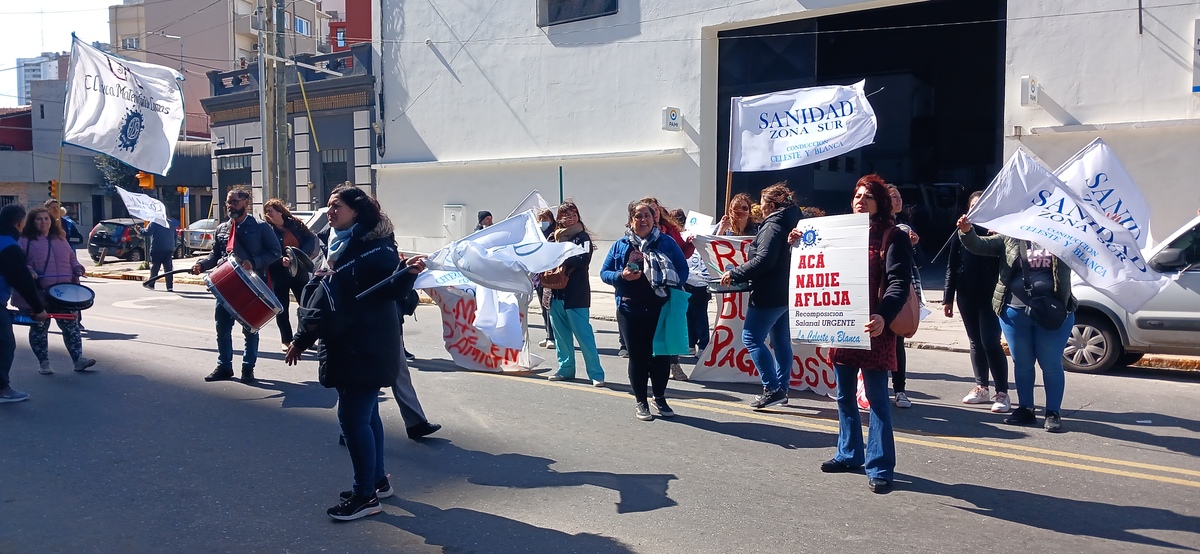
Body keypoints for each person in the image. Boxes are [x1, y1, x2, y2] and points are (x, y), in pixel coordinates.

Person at [285, 184, 426, 521]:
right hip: (349, 344)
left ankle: (365, 496)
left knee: (351, 419)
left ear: (357, 212)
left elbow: (394, 291)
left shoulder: (377, 251)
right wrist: (303, 338)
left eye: (337, 206)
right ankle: (376, 483)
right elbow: (325, 299)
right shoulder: (340, 246)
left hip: (366, 346)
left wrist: (408, 274)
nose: (330, 212)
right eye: (330, 206)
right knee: (367, 416)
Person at [808, 175, 912, 494]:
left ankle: (879, 465)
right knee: (844, 396)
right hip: (842, 325)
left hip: (874, 328)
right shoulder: (837, 233)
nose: (860, 199)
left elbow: (897, 282)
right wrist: (801, 241)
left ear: (879, 202)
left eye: (868, 196)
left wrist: (883, 315)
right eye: (857, 194)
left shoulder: (892, 236)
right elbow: (815, 265)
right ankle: (849, 454)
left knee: (878, 400)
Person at [956, 211, 1076, 432]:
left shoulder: (1062, 236)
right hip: (1014, 312)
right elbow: (980, 246)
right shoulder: (1010, 237)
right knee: (1022, 363)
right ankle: (1026, 409)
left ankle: (1053, 413)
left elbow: (1093, 246)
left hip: (1053, 312)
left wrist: (1107, 226)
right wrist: (966, 231)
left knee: (1050, 365)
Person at [601, 201, 690, 421]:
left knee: (660, 356)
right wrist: (621, 276)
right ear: (631, 221)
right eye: (638, 216)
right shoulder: (621, 245)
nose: (643, 220)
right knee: (638, 358)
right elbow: (605, 273)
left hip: (660, 309)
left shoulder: (666, 242)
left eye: (647, 216)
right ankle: (641, 401)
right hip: (630, 309)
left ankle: (659, 398)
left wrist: (669, 282)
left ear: (654, 218)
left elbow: (683, 270)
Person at [719, 182, 803, 409]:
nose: (760, 207)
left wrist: (735, 272)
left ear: (773, 205)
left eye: (763, 203)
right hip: (785, 291)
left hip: (769, 292)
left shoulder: (772, 226)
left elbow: (764, 260)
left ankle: (773, 388)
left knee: (751, 338)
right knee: (780, 340)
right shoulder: (790, 222)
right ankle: (781, 388)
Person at [192, 187, 282, 384]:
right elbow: (215, 256)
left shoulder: (261, 227)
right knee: (222, 328)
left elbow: (276, 252)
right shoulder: (222, 229)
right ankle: (224, 366)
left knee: (250, 329)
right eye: (228, 202)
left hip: (251, 288)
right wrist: (201, 265)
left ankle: (247, 368)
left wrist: (255, 262)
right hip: (226, 287)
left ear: (246, 203)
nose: (230, 206)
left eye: (234, 202)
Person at [945, 191, 1010, 413]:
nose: (976, 210)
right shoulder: (961, 231)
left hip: (991, 294)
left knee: (990, 341)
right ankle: (981, 386)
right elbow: (952, 266)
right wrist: (948, 297)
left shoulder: (999, 232)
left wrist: (1003, 233)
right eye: (973, 206)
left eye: (981, 206)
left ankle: (1002, 392)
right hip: (966, 293)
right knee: (975, 341)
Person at [12, 207, 95, 375]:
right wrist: (30, 271)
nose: (43, 222)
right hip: (39, 293)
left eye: (46, 218)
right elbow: (19, 263)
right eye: (39, 219)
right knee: (40, 328)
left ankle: (78, 360)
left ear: (52, 221)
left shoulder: (60, 238)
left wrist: (78, 267)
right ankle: (44, 363)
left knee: (71, 326)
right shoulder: (24, 240)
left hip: (63, 293)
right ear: (31, 222)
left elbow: (72, 258)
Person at [544, 201, 605, 386]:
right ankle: (565, 369)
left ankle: (596, 373)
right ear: (559, 219)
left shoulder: (582, 237)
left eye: (573, 214)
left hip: (576, 295)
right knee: (561, 337)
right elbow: (543, 257)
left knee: (585, 337)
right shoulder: (553, 237)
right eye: (566, 215)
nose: (571, 218)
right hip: (554, 294)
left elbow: (583, 260)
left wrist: (561, 254)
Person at [640, 197, 695, 380]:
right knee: (649, 331)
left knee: (671, 330)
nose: (652, 215)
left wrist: (677, 283)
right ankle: (647, 366)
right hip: (646, 291)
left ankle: (674, 365)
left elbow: (683, 257)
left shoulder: (669, 233)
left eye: (654, 210)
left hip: (670, 290)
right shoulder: (636, 237)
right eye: (647, 212)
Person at [0, 205, 49, 403]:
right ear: (20, 223)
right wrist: (38, 308)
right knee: (4, 345)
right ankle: (2, 389)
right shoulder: (9, 245)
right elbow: (22, 280)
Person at [885, 184, 923, 409]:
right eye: (893, 197)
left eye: (899, 196)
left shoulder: (903, 229)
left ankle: (899, 390)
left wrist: (913, 247)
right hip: (873, 293)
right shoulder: (867, 227)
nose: (898, 200)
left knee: (897, 341)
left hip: (897, 292)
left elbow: (919, 263)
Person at [263, 199, 319, 351]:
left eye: (271, 211)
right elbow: (266, 251)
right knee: (282, 308)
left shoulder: (295, 225)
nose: (268, 214)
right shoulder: (267, 230)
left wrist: (302, 255)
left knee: (306, 305)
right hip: (279, 274)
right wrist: (280, 260)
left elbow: (310, 239)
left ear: (280, 211)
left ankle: (306, 339)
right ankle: (286, 340)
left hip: (299, 271)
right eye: (266, 212)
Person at [673, 208, 711, 360]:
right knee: (688, 313)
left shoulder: (699, 236)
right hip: (687, 280)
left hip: (702, 282)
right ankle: (690, 344)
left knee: (700, 314)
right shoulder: (679, 238)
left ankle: (703, 345)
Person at [534, 208, 556, 349]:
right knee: (543, 307)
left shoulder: (554, 234)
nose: (543, 222)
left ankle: (552, 337)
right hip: (538, 277)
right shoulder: (535, 234)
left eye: (545, 219)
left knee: (550, 307)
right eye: (540, 219)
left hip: (549, 276)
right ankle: (548, 333)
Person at [142, 219, 177, 292]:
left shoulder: (154, 223)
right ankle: (169, 286)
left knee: (155, 267)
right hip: (169, 248)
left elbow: (147, 233)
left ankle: (151, 284)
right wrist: (174, 246)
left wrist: (139, 229)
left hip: (157, 248)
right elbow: (175, 235)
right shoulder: (170, 222)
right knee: (168, 269)